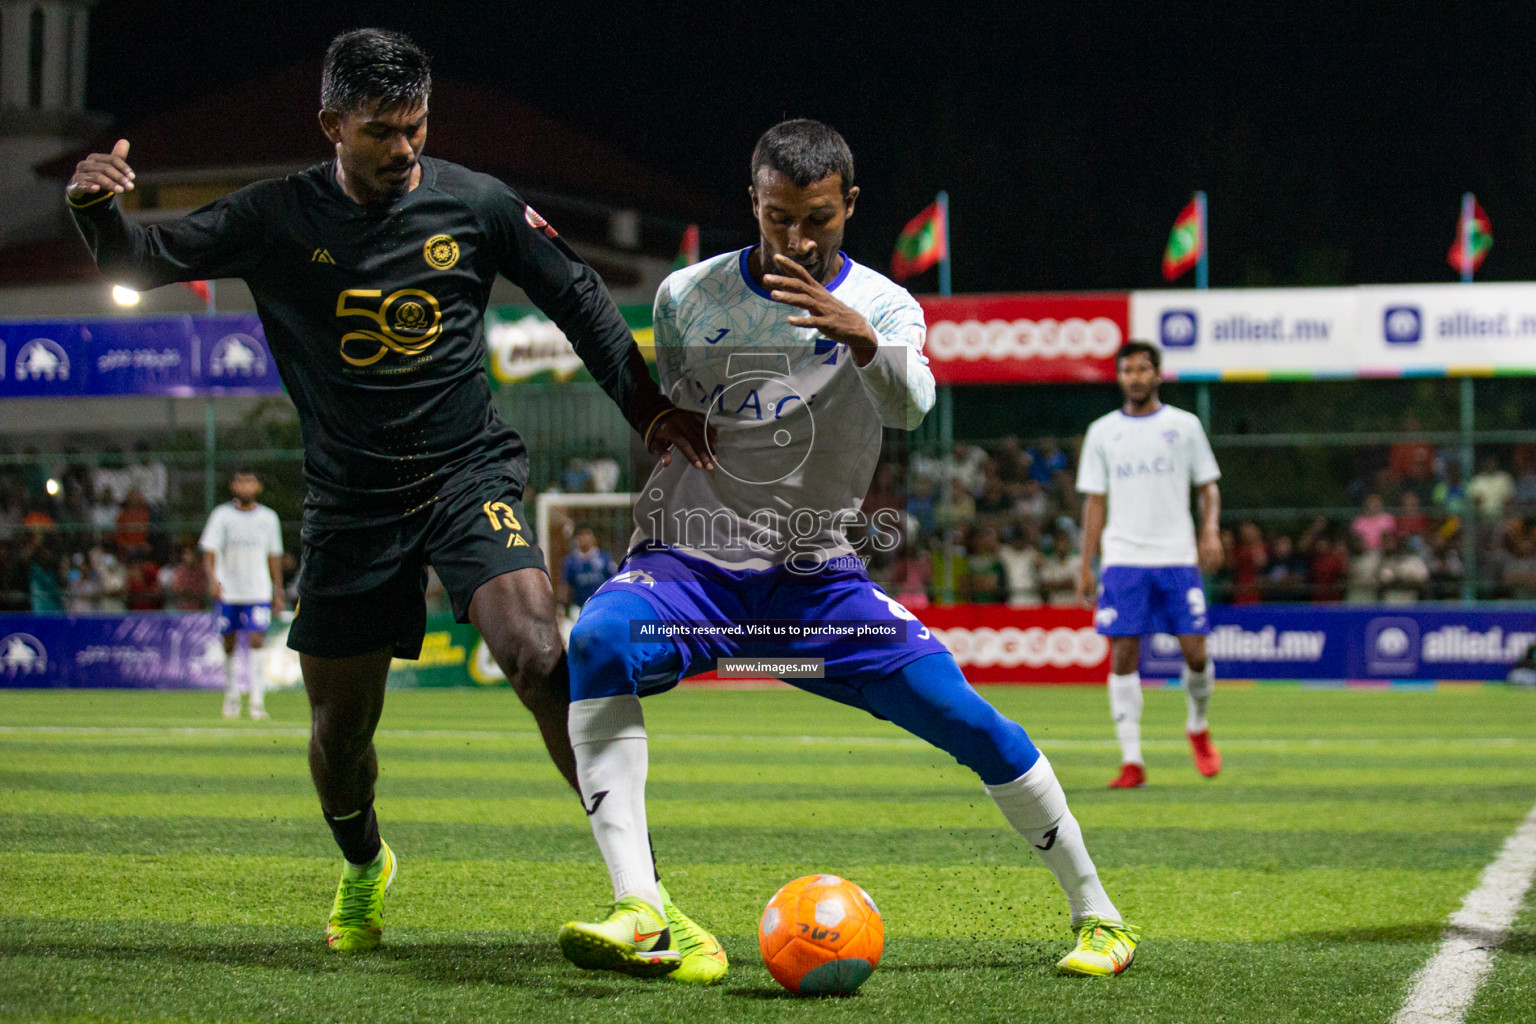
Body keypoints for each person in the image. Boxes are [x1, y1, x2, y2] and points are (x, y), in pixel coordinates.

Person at [66, 29, 704, 954]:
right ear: (332, 125)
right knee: (340, 737)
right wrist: (97, 214)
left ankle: (644, 897)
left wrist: (649, 411)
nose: (405, 149)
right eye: (381, 132)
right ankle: (365, 862)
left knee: (536, 652)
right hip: (349, 500)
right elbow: (140, 261)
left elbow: (578, 296)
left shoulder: (473, 203)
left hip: (466, 472)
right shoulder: (278, 215)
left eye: (417, 126)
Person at [555, 120, 1137, 984]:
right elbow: (674, 405)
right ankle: (643, 909)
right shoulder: (687, 295)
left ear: (849, 205)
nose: (798, 238)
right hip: (693, 566)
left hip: (813, 583)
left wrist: (860, 339)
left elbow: (911, 408)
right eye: (779, 216)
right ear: (753, 200)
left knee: (970, 722)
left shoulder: (889, 304)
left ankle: (1100, 917)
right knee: (599, 641)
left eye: (819, 219)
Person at [1075, 340, 1223, 789]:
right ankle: (1132, 760)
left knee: (1196, 652)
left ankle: (1197, 725)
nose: (1135, 377)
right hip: (1123, 559)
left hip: (1177, 554)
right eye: (1127, 370)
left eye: (1143, 369)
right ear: (1119, 377)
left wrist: (1210, 531)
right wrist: (1087, 564)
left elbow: (1208, 489)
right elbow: (1094, 503)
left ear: (1157, 374)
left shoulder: (1185, 425)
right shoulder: (1102, 431)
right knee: (1123, 653)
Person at [200, 469, 285, 719]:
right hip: (229, 590)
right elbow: (210, 551)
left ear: (258, 486)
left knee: (258, 639)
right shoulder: (221, 515)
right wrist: (213, 580)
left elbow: (274, 554)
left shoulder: (269, 518)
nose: (245, 487)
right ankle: (232, 696)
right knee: (229, 641)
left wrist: (277, 588)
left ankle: (257, 702)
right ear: (233, 486)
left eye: (250, 482)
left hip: (258, 589)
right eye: (240, 482)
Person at [559, 526, 617, 614]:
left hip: (601, 606)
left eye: (587, 534)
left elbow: (613, 581)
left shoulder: (604, 558)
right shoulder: (571, 561)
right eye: (581, 535)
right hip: (578, 608)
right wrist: (561, 608)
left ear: (594, 538)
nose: (584, 538)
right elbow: (565, 586)